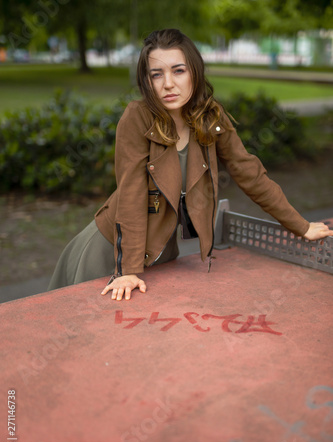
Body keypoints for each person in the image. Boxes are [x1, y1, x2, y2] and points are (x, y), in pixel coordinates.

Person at [48, 29, 333, 300]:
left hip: (161, 249)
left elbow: (250, 173)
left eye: (178, 70)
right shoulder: (137, 117)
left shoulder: (210, 116)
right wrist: (128, 270)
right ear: (146, 81)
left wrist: (301, 226)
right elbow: (131, 194)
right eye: (156, 74)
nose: (168, 84)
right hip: (113, 249)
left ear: (194, 73)